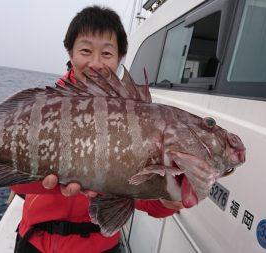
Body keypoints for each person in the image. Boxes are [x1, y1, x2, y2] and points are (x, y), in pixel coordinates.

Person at [11, 6, 184, 253]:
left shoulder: (136, 118)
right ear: (70, 53)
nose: (95, 63)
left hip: (98, 246)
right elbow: (16, 185)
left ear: (120, 57)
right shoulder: (42, 108)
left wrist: (171, 197)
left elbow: (142, 200)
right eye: (85, 50)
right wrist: (53, 180)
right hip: (35, 242)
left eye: (106, 53)